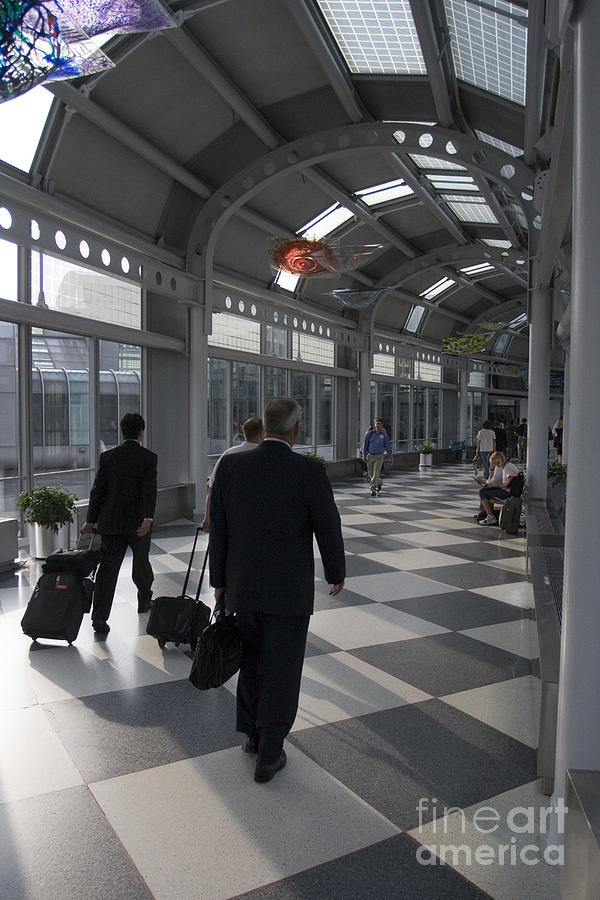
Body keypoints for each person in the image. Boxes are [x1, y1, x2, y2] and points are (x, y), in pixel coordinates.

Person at [209, 397, 345, 784]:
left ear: (264, 426)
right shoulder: (308, 471)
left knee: (250, 662)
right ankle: (270, 752)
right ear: (296, 429)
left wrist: (219, 581)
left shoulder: (232, 465)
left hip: (242, 588)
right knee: (282, 669)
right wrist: (336, 570)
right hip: (289, 592)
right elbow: (327, 525)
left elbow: (219, 528)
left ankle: (252, 735)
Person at [83, 412, 157, 637]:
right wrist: (147, 518)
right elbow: (149, 490)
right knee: (141, 562)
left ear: (122, 432)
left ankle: (99, 618)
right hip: (137, 523)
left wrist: (90, 520)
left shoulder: (108, 457)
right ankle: (144, 600)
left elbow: (98, 491)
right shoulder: (148, 457)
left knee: (108, 570)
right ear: (141, 433)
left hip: (111, 523)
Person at [201, 417, 264, 532]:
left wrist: (207, 517)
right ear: (262, 434)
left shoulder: (228, 455)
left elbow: (212, 489)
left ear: (245, 433)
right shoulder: (267, 458)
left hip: (230, 519)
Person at [475, 451, 519, 525]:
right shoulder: (507, 466)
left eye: (494, 463)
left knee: (483, 492)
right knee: (484, 491)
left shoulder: (507, 467)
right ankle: (487, 514)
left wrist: (497, 486)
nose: (495, 466)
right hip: (508, 490)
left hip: (508, 492)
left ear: (498, 461)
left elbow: (507, 484)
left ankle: (491, 516)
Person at [362, 417, 393, 496]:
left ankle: (373, 490)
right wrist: (364, 455)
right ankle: (379, 482)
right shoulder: (370, 434)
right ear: (374, 425)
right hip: (370, 455)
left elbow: (388, 446)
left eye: (379, 424)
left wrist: (390, 457)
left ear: (382, 425)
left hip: (379, 456)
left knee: (375, 473)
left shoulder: (384, 435)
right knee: (371, 474)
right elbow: (365, 445)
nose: (378, 425)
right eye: (377, 423)